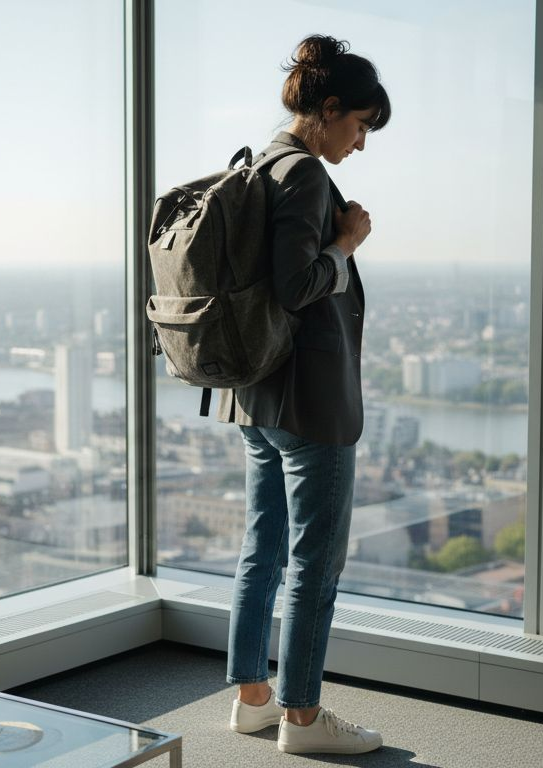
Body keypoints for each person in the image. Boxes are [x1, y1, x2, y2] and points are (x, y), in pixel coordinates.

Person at [220, 34, 390, 755]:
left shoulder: (257, 163)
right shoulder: (306, 177)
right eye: (357, 126)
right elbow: (296, 286)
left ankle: (253, 699)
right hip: (309, 404)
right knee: (316, 561)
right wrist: (346, 244)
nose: (359, 144)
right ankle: (303, 718)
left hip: (257, 394)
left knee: (262, 548)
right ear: (328, 110)